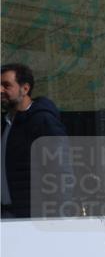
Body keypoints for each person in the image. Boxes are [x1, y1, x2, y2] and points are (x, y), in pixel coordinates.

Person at [1, 63, 68, 219]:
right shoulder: (6, 123)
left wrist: (58, 219)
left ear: (25, 89)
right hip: (8, 215)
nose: (0, 90)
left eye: (6, 85)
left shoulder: (42, 121)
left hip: (34, 218)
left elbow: (61, 172)